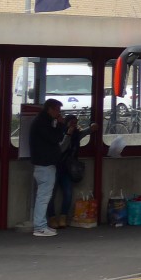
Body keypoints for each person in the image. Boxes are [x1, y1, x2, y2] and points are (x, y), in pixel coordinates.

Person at [48, 114, 97, 229]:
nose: (74, 126)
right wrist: (68, 134)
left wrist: (92, 124)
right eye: (71, 123)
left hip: (67, 169)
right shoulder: (58, 133)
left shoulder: (76, 135)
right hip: (55, 166)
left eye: (75, 123)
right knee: (51, 195)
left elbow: (89, 130)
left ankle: (63, 216)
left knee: (68, 193)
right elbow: (61, 148)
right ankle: (52, 217)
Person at [29, 99, 65, 237]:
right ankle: (39, 227)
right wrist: (61, 126)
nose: (59, 113)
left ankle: (41, 225)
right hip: (45, 164)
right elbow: (54, 138)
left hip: (43, 163)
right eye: (57, 110)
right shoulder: (43, 122)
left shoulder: (42, 121)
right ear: (50, 109)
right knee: (43, 197)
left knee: (43, 196)